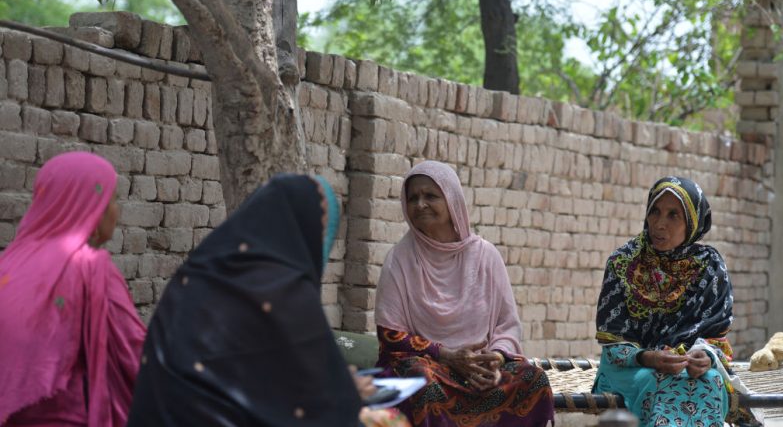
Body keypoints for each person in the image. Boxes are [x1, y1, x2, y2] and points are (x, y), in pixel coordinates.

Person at [128, 174, 406, 427]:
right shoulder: (284, 293)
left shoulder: (196, 275)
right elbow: (313, 406)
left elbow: (251, 374)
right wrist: (348, 393)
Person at [375, 160, 555, 427]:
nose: (420, 204)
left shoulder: (485, 255)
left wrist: (493, 359)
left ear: (452, 199)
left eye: (430, 196)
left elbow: (507, 325)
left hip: (481, 368)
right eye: (413, 198)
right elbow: (391, 335)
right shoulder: (400, 260)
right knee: (419, 381)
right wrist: (446, 355)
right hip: (431, 366)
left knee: (533, 378)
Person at [593, 176, 757, 427]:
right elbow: (613, 345)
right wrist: (650, 357)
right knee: (660, 382)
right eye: (655, 212)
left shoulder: (710, 267)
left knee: (711, 381)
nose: (659, 224)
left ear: (692, 223)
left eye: (673, 215)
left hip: (689, 370)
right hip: (628, 368)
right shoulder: (622, 262)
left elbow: (716, 340)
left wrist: (704, 357)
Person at [0, 152, 146, 426]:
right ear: (91, 206)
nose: (117, 211)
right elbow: (135, 353)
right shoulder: (90, 269)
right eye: (112, 200)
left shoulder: (8, 263)